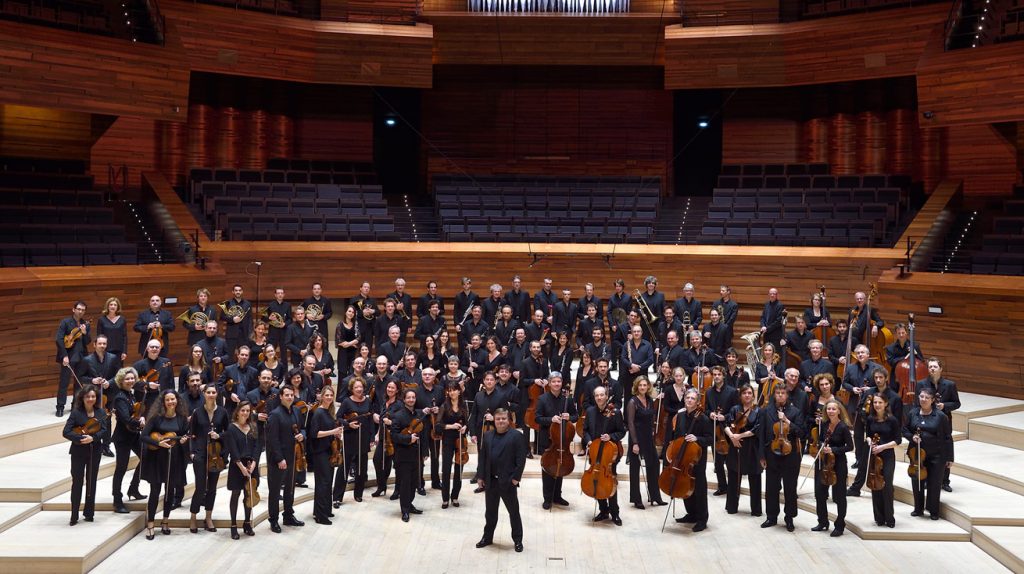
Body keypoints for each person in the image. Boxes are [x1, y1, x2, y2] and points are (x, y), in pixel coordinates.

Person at [140, 390, 190, 540]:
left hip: (174, 459)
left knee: (169, 491)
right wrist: (158, 442)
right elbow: (144, 436)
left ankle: (165, 521)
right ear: (163, 402)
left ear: (177, 400)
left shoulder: (182, 419)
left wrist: (183, 441)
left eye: (173, 399)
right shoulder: (156, 418)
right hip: (156, 459)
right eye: (167, 400)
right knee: (155, 492)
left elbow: (184, 436)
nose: (170, 402)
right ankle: (150, 525)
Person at [475, 408, 527, 552]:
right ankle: (487, 537)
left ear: (508, 419)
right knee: (490, 512)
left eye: (503, 418)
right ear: (494, 420)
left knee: (513, 512)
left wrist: (516, 479)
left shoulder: (517, 436)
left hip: (508, 481)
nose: (501, 421)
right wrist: (480, 476)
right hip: (491, 481)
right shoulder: (487, 436)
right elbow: (483, 458)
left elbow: (520, 460)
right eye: (498, 419)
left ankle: (517, 540)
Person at [759, 385, 804, 532]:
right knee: (771, 487)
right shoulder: (766, 411)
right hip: (772, 453)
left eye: (783, 393)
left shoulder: (795, 412)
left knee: (790, 488)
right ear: (774, 395)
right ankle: (771, 517)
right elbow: (762, 434)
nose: (780, 395)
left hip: (790, 456)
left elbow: (801, 432)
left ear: (787, 395)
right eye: (777, 393)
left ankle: (789, 517)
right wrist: (762, 455)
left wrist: (786, 421)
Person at [904, 387, 953, 520]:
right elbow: (905, 429)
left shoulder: (941, 416)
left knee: (934, 483)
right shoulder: (913, 413)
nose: (923, 399)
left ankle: (933, 511)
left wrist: (950, 457)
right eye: (921, 396)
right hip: (917, 454)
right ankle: (918, 509)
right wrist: (911, 437)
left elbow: (948, 437)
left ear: (932, 400)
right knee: (917, 481)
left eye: (926, 397)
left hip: (937, 455)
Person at [63, 384, 108, 526]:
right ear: (82, 397)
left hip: (95, 451)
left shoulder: (100, 412)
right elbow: (66, 432)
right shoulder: (76, 413)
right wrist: (81, 438)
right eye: (88, 396)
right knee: (77, 482)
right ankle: (74, 514)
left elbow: (105, 430)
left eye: (93, 396)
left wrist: (93, 438)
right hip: (78, 451)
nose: (90, 399)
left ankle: (89, 513)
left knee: (91, 481)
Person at [668, 387, 712, 532]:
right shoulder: (680, 416)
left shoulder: (703, 418)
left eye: (693, 398)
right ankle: (691, 514)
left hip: (696, 459)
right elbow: (677, 437)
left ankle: (702, 519)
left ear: (697, 401)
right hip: (682, 459)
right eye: (688, 398)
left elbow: (710, 439)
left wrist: (697, 438)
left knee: (699, 489)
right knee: (686, 487)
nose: (689, 400)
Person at [188, 383, 228, 534]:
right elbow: (191, 434)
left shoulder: (223, 412)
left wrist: (220, 436)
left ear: (217, 394)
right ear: (204, 393)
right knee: (199, 488)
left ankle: (208, 517)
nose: (211, 394)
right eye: (208, 392)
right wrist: (192, 453)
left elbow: (227, 433)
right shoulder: (197, 412)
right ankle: (193, 517)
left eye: (214, 392)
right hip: (200, 454)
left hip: (216, 455)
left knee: (212, 488)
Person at [582, 385, 625, 526]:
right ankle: (603, 510)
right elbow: (585, 430)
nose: (599, 398)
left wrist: (611, 436)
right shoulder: (590, 411)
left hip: (609, 454)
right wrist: (588, 441)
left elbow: (622, 431)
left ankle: (615, 513)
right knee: (596, 481)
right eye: (597, 395)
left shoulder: (615, 412)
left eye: (602, 395)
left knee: (609, 483)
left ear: (606, 396)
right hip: (594, 453)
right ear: (594, 397)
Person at [265, 385, 306, 533]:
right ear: (281, 397)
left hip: (293, 456)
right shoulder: (275, 415)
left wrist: (303, 435)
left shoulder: (296, 410)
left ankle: (288, 516)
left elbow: (302, 428)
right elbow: (272, 440)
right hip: (278, 459)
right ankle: (273, 520)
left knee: (290, 489)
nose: (289, 397)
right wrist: (279, 459)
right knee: (275, 491)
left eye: (291, 395)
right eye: (286, 395)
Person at [916, 357, 960, 491]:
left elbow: (957, 403)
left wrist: (944, 406)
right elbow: (916, 403)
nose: (932, 369)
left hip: (943, 422)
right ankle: (925, 478)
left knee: (944, 450)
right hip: (926, 422)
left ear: (940, 369)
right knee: (926, 450)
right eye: (930, 367)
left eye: (935, 366)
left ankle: (945, 481)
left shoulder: (950, 385)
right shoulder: (921, 384)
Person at [811, 399, 852, 537]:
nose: (831, 411)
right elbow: (820, 440)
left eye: (833, 409)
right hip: (824, 462)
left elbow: (850, 446)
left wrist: (834, 449)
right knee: (819, 493)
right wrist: (822, 445)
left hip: (838, 463)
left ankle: (840, 525)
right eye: (828, 409)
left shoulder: (843, 427)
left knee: (840, 495)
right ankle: (823, 521)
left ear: (839, 410)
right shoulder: (823, 425)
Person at [535, 372, 577, 509]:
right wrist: (550, 420)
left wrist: (569, 417)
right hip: (548, 440)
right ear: (549, 383)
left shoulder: (568, 399)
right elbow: (537, 418)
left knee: (561, 467)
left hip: (563, 440)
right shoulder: (542, 399)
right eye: (554, 381)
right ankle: (547, 498)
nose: (557, 384)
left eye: (559, 381)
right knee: (548, 469)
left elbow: (576, 416)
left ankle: (557, 496)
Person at [625, 378, 666, 509]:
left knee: (654, 465)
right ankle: (636, 499)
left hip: (648, 437)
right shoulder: (632, 402)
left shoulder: (649, 400)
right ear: (636, 386)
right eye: (640, 385)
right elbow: (630, 424)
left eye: (645, 385)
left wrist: (653, 430)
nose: (642, 387)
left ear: (648, 386)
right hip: (636, 437)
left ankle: (655, 496)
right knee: (635, 469)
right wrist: (635, 443)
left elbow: (652, 418)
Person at [223, 401, 260, 539]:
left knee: (248, 494)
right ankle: (233, 525)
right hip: (237, 465)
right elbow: (233, 449)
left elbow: (258, 446)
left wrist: (254, 464)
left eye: (248, 411)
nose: (245, 413)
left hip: (251, 465)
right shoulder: (232, 428)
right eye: (243, 410)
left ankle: (246, 523)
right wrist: (242, 467)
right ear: (237, 412)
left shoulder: (253, 426)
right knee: (236, 494)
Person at [110, 367, 145, 512]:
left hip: (133, 434)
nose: (130, 381)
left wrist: (141, 417)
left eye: (132, 378)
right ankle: (117, 500)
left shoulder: (131, 395)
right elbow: (125, 418)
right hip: (123, 438)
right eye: (127, 379)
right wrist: (139, 422)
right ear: (121, 381)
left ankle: (133, 489)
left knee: (146, 457)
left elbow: (135, 413)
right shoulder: (119, 397)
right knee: (121, 468)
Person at [724, 384, 761, 516]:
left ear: (753, 395)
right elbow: (727, 425)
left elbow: (757, 429)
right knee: (734, 476)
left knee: (755, 478)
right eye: (744, 393)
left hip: (752, 448)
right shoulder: (735, 409)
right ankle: (732, 507)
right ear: (740, 396)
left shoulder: (758, 410)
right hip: (736, 446)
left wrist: (740, 435)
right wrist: (732, 436)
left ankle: (756, 509)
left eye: (749, 393)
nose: (747, 395)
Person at [336, 379, 373, 505]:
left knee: (361, 468)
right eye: (356, 387)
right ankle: (337, 497)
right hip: (350, 437)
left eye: (361, 387)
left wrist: (372, 438)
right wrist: (348, 424)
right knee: (344, 468)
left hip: (364, 437)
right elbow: (339, 417)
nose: (359, 389)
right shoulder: (347, 401)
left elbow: (370, 420)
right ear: (352, 389)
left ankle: (358, 494)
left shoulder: (368, 401)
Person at [82, 334, 119, 456]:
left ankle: (106, 446)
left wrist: (110, 382)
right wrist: (92, 381)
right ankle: (93, 443)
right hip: (93, 396)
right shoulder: (87, 360)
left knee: (107, 421)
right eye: (100, 343)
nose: (102, 346)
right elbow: (81, 377)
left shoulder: (113, 358)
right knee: (93, 420)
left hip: (108, 395)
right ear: (94, 345)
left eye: (104, 344)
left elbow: (119, 375)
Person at [391, 388, 424, 522]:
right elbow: (394, 436)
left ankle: (409, 505)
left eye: (413, 397)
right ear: (404, 400)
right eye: (408, 397)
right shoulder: (398, 416)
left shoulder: (418, 414)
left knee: (414, 483)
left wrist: (425, 452)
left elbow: (423, 434)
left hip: (416, 455)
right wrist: (408, 439)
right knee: (405, 484)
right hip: (403, 455)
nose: (411, 399)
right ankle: (404, 510)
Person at [310, 385, 342, 525]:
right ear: (322, 396)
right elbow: (315, 434)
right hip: (320, 452)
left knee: (328, 482)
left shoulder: (329, 412)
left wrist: (336, 434)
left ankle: (324, 510)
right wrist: (332, 431)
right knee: (323, 483)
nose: (329, 397)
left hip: (329, 451)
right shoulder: (318, 412)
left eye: (331, 395)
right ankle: (320, 516)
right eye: (327, 395)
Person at [705, 366, 739, 496]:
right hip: (715, 430)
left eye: (719, 374)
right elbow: (706, 409)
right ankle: (722, 486)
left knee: (731, 461)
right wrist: (711, 414)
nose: (716, 376)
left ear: (723, 375)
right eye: (714, 374)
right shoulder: (708, 392)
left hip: (729, 429)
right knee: (717, 462)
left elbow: (736, 409)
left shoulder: (732, 391)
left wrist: (726, 416)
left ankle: (733, 487)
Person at [55, 300, 90, 417]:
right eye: (78, 309)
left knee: (78, 383)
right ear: (73, 309)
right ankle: (60, 407)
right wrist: (64, 355)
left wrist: (85, 333)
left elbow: (87, 342)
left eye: (83, 310)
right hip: (68, 357)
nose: (80, 312)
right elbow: (59, 339)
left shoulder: (85, 324)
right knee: (64, 383)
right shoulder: (65, 322)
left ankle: (75, 406)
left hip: (81, 358)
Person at [439, 382, 470, 508]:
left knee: (459, 470)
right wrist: (451, 426)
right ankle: (445, 498)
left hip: (460, 441)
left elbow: (467, 423)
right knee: (446, 469)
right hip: (447, 440)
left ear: (459, 391)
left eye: (454, 390)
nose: (452, 392)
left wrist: (465, 428)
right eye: (449, 390)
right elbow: (438, 425)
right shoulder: (444, 406)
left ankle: (455, 496)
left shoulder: (464, 405)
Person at [371, 380, 401, 498]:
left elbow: (402, 421)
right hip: (384, 437)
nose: (390, 389)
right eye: (388, 387)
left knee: (397, 464)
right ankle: (381, 486)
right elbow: (381, 421)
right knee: (377, 460)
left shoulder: (399, 404)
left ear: (397, 390)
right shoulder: (385, 402)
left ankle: (397, 490)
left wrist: (392, 422)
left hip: (394, 439)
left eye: (393, 388)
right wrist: (378, 434)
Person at [97, 296, 128, 368]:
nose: (113, 306)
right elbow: (99, 336)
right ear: (107, 306)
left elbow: (125, 336)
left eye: (115, 305)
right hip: (105, 350)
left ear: (118, 307)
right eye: (111, 304)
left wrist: (124, 351)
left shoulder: (122, 319)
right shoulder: (101, 320)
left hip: (119, 351)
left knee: (119, 373)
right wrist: (100, 351)